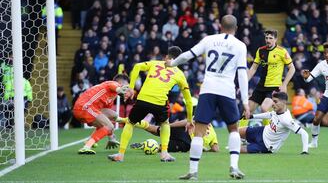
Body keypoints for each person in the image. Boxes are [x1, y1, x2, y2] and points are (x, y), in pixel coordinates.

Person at [166, 15, 250, 180]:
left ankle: (193, 171)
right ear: (236, 28)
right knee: (233, 129)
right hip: (227, 91)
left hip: (208, 90)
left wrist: (172, 63)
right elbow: (242, 74)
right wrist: (246, 101)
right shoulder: (240, 46)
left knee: (198, 132)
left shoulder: (209, 39)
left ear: (220, 26)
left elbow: (188, 55)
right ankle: (234, 167)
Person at [108, 46, 193, 162]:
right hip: (159, 102)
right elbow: (188, 100)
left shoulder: (155, 63)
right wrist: (189, 120)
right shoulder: (180, 74)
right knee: (165, 124)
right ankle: (164, 154)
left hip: (143, 98)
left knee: (130, 123)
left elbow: (137, 66)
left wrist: (131, 88)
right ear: (179, 60)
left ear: (167, 56)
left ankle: (120, 155)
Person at [73, 74, 133, 154]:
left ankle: (89, 141)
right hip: (84, 107)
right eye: (127, 86)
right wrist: (119, 89)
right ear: (121, 82)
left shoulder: (112, 98)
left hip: (89, 109)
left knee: (113, 115)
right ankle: (86, 147)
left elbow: (106, 119)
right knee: (109, 126)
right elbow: (113, 85)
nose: (127, 90)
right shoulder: (112, 83)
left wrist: (111, 138)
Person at [239, 92, 309, 154]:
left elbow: (304, 133)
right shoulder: (277, 111)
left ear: (284, 102)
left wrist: (304, 151)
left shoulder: (286, 120)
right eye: (273, 101)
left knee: (239, 150)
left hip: (266, 145)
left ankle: (245, 144)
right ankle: (243, 141)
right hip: (262, 131)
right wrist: (252, 116)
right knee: (237, 131)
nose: (273, 104)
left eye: (275, 101)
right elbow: (270, 114)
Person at [247, 29, 295, 114]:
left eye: (270, 38)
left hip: (274, 87)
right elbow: (253, 68)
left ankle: (269, 127)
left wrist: (284, 84)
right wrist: (244, 82)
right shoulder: (260, 50)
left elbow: (292, 68)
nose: (268, 40)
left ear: (276, 39)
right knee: (248, 110)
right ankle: (241, 128)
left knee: (264, 108)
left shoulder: (282, 51)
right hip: (261, 86)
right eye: (266, 38)